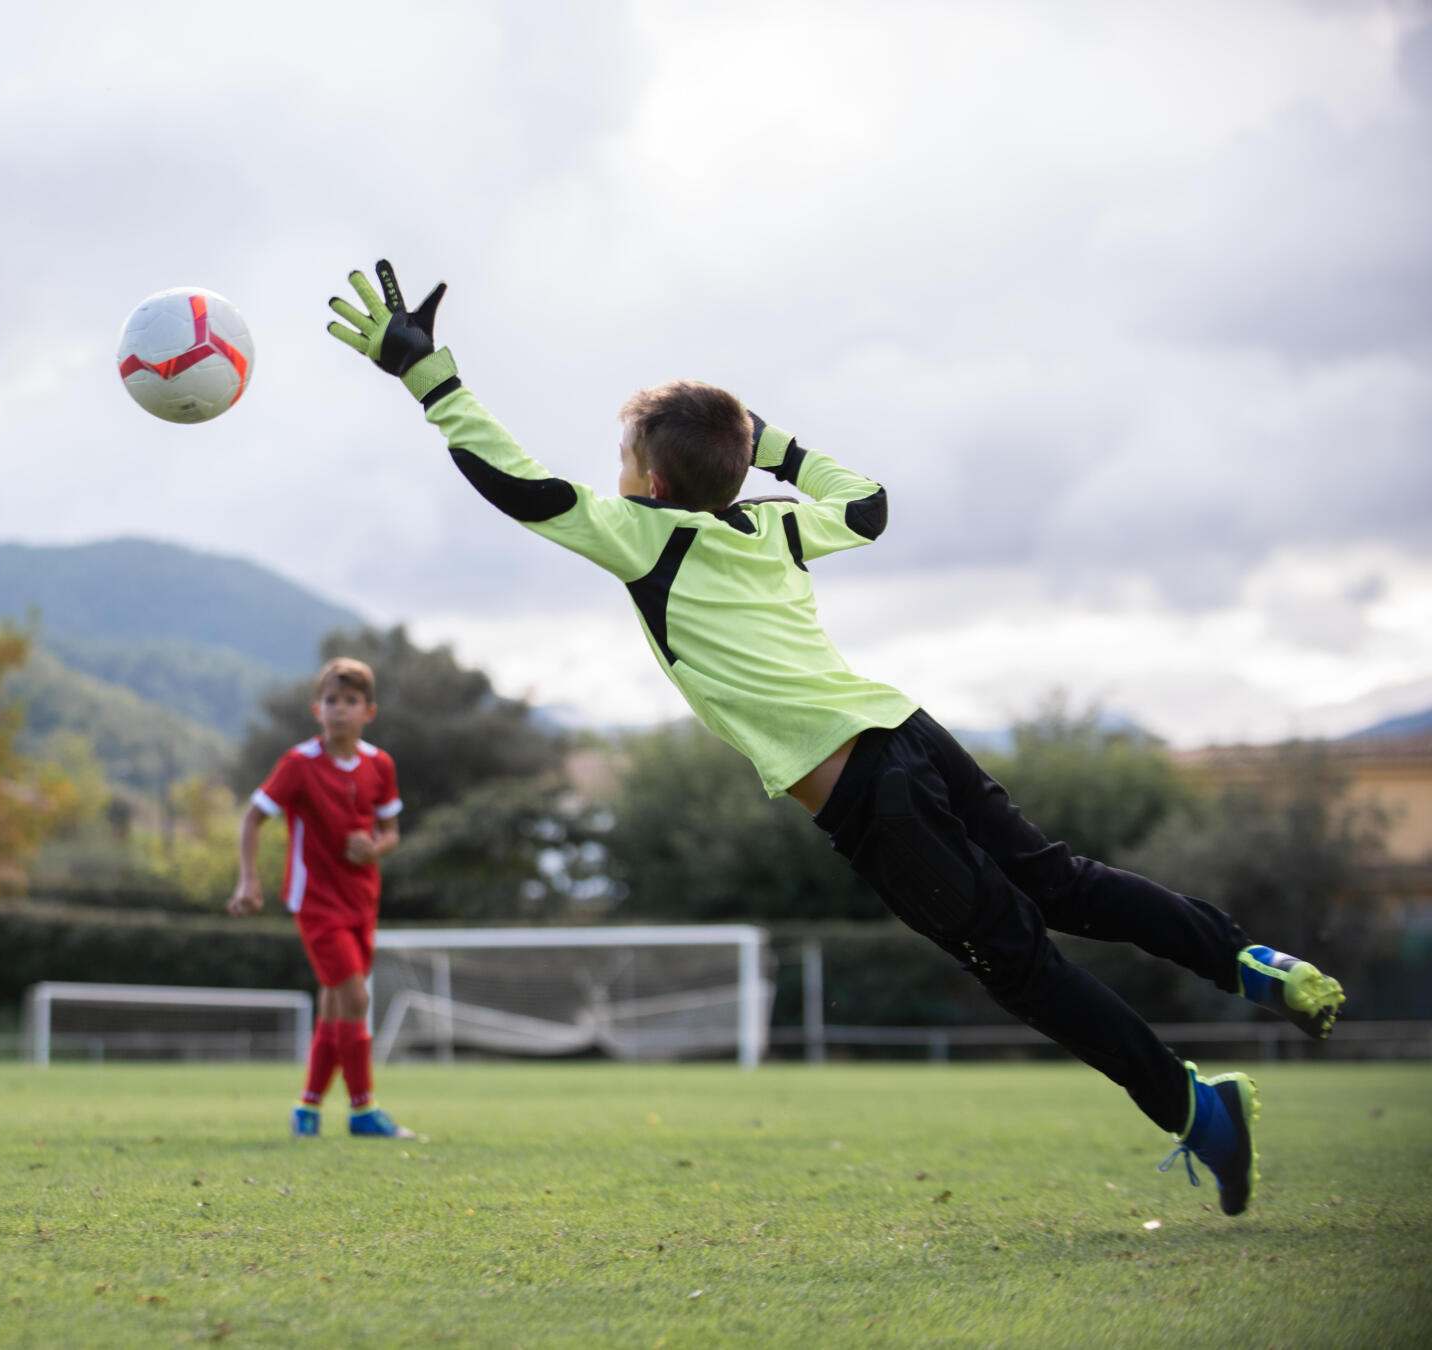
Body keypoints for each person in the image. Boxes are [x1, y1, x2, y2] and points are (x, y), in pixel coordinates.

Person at [322, 259, 1346, 1214]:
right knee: (1065, 881)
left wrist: (428, 376)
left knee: (1023, 967)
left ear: (650, 482)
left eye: (625, 454)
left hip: (870, 798)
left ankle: (1196, 1109)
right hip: (912, 731)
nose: (614, 467)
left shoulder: (642, 537)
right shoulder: (769, 526)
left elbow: (516, 484)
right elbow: (870, 506)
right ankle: (1248, 960)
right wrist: (766, 443)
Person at [228, 656, 414, 1140]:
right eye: (331, 701)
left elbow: (392, 831)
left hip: (362, 900)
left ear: (368, 711)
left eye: (350, 701)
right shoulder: (299, 764)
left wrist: (374, 847)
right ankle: (363, 1111)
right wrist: (249, 881)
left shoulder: (380, 765)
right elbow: (252, 816)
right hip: (315, 901)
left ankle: (307, 1108)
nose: (340, 710)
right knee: (355, 996)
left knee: (336, 1005)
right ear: (317, 708)